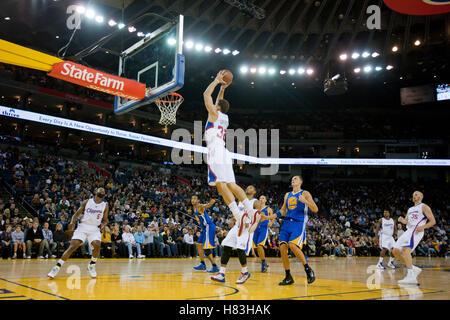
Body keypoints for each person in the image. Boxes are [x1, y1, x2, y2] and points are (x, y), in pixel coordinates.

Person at [203, 71, 261, 227]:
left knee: (221, 185)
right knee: (230, 185)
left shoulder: (214, 114)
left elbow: (206, 95)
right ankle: (249, 212)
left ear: (218, 107)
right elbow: (219, 101)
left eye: (216, 104)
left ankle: (238, 214)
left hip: (215, 152)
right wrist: (222, 89)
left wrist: (216, 81)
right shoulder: (224, 118)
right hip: (224, 152)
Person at [211, 185, 271, 284]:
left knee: (240, 249)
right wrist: (232, 220)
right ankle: (221, 273)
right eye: (248, 187)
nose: (248, 188)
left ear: (255, 191)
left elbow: (258, 216)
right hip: (237, 226)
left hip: (247, 229)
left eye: (251, 188)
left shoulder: (256, 202)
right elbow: (238, 214)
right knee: (227, 246)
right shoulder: (241, 201)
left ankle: (245, 272)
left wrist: (252, 223)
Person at [47, 188, 109, 279]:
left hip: (94, 228)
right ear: (96, 192)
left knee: (97, 244)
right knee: (73, 246)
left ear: (104, 196)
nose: (102, 192)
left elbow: (105, 220)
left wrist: (103, 224)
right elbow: (76, 215)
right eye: (100, 191)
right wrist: (72, 222)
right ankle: (56, 267)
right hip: (83, 226)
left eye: (104, 192)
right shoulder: (87, 202)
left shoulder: (105, 205)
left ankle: (91, 265)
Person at [274, 175, 318, 285]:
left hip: (298, 222)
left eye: (296, 179)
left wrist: (305, 201)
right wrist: (271, 217)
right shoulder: (287, 195)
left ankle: (308, 269)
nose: (293, 180)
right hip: (287, 222)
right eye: (292, 179)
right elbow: (283, 211)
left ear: (300, 182)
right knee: (282, 247)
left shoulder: (305, 193)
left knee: (292, 245)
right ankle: (288, 276)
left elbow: (315, 209)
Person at [393, 191, 436, 284]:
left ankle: (411, 276)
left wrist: (423, 227)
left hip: (416, 231)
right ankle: (413, 268)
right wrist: (402, 220)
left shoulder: (424, 206)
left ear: (421, 196)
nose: (414, 196)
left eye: (416, 194)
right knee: (395, 251)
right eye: (413, 195)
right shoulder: (410, 209)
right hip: (408, 231)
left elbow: (433, 221)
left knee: (405, 250)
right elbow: (407, 222)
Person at [191, 196, 219, 273]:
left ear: (198, 200)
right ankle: (202, 264)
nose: (193, 200)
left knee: (206, 248)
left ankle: (214, 266)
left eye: (194, 198)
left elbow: (206, 206)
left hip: (208, 227)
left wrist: (210, 203)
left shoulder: (199, 206)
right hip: (205, 228)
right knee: (199, 244)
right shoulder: (194, 209)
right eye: (192, 199)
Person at [252, 195, 273, 273]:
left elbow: (273, 217)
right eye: (260, 198)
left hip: (264, 228)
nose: (261, 199)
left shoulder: (268, 209)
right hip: (256, 228)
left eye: (263, 198)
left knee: (260, 245)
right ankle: (264, 262)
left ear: (266, 200)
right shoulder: (256, 209)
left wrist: (271, 222)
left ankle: (263, 263)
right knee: (256, 247)